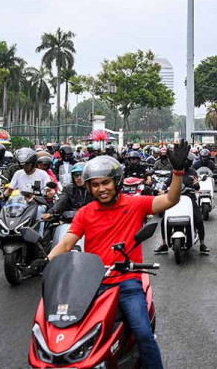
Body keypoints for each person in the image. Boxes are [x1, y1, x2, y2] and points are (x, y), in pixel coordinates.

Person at [44, 144, 190, 369]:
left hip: (126, 283)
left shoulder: (135, 204)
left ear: (116, 182)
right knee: (68, 333)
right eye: (95, 185)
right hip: (91, 284)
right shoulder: (85, 213)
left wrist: (178, 173)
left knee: (143, 333)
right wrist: (49, 262)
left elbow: (170, 200)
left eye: (105, 183)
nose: (101, 189)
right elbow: (66, 243)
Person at [155, 152, 209, 255]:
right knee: (164, 221)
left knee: (198, 219)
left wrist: (196, 184)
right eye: (186, 161)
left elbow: (197, 187)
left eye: (188, 161)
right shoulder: (174, 172)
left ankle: (202, 243)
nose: (187, 162)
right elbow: (166, 183)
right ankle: (164, 244)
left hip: (189, 198)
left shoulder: (193, 172)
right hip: (175, 198)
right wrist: (162, 190)